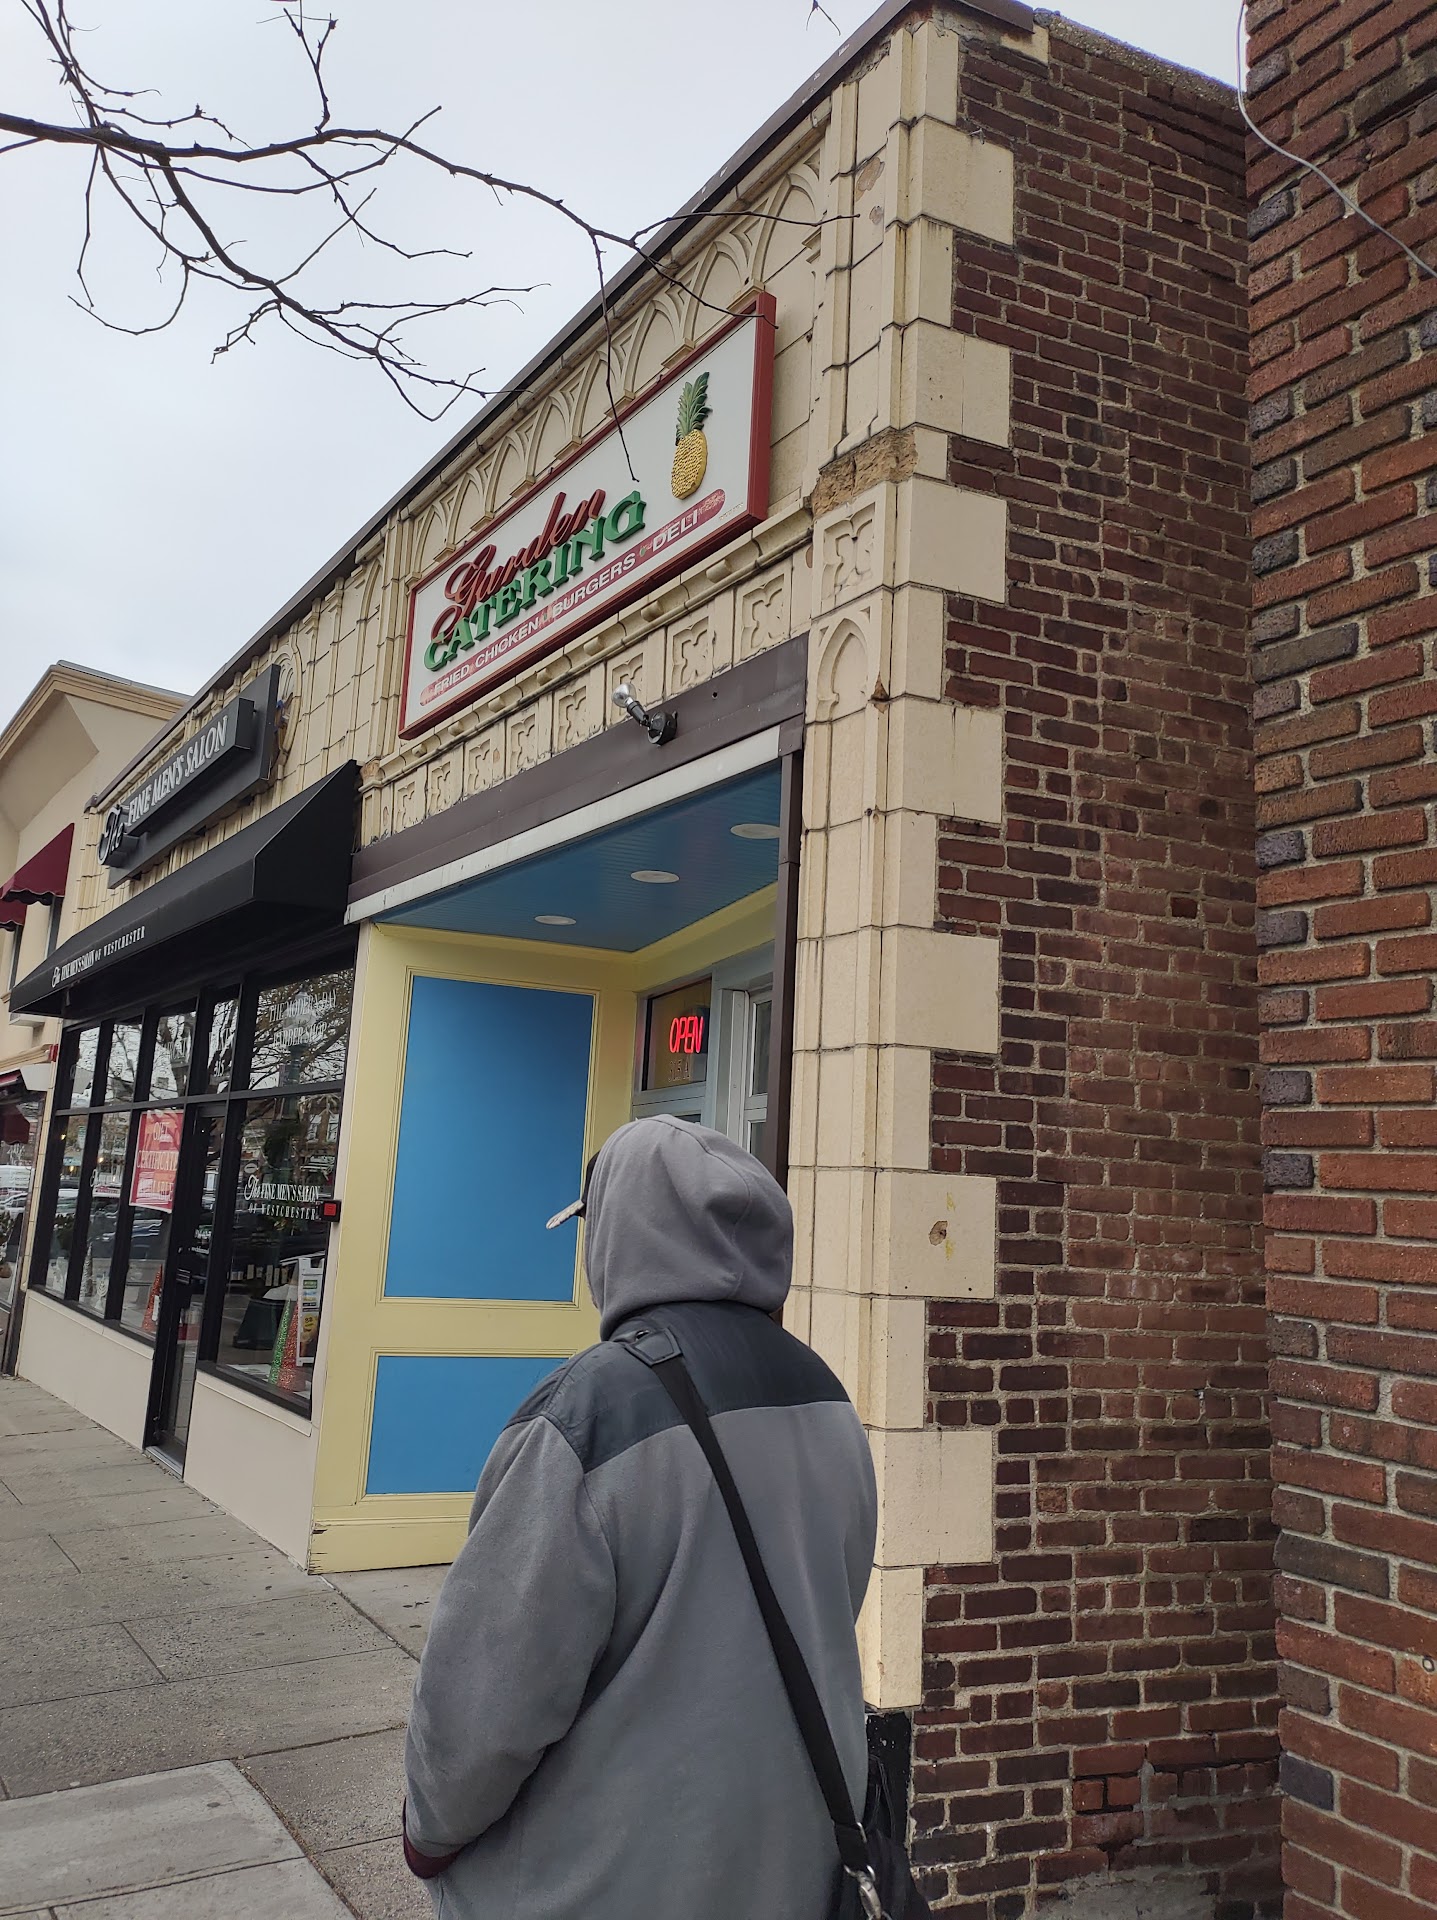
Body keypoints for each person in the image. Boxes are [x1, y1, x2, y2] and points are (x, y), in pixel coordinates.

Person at [403, 1114, 877, 1919]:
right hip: (792, 1864)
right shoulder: (823, 1391)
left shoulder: (585, 1411)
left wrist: (431, 1830)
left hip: (604, 1879)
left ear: (622, 1234)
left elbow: (486, 1693)